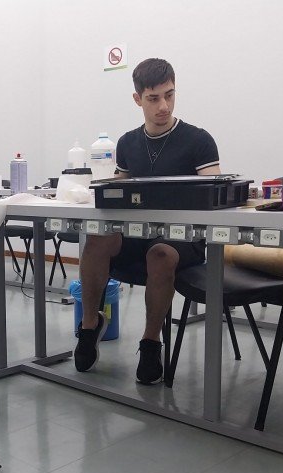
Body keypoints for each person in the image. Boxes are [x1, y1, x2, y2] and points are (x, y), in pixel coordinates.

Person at [75, 58, 220, 384]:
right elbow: (117, 195)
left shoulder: (198, 140)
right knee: (97, 240)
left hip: (184, 242)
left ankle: (151, 341)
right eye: (154, 98)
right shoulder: (127, 143)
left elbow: (215, 198)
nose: (164, 106)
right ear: (138, 99)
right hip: (138, 236)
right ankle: (89, 326)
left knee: (161, 253)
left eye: (170, 95)